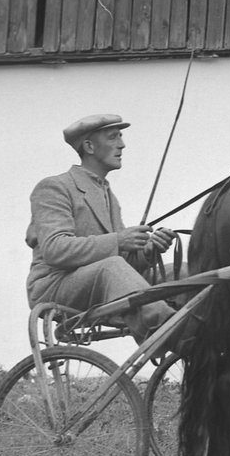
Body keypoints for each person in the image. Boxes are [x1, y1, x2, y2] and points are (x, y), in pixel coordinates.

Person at [26, 113, 176, 342]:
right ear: (89, 146)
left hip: (98, 282)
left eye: (121, 137)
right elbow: (55, 249)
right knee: (111, 266)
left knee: (181, 271)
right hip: (54, 287)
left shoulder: (108, 195)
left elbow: (125, 262)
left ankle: (203, 336)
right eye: (113, 137)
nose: (122, 145)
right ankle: (177, 334)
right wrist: (118, 241)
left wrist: (147, 250)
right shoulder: (54, 187)